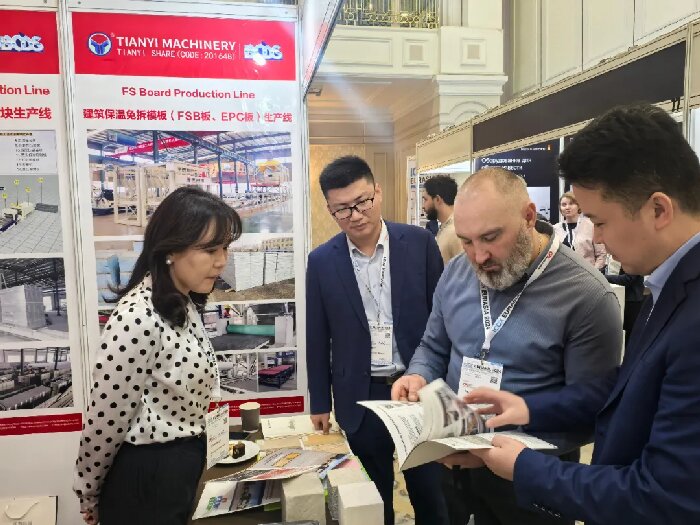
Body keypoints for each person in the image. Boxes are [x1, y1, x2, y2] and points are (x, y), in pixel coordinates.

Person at [464, 103, 700, 525]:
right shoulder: (669, 280)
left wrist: (526, 468)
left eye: (600, 222)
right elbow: (630, 384)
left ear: (658, 210)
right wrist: (528, 407)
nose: (600, 241)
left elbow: (664, 497)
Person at [392, 167, 622, 525]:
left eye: (490, 237)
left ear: (528, 217)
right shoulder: (456, 272)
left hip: (531, 478)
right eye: (466, 241)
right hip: (451, 460)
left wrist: (500, 449)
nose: (479, 256)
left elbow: (591, 410)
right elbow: (433, 346)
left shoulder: (586, 295)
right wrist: (417, 375)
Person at [74, 187, 241, 525]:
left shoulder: (180, 302)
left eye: (225, 247)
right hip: (147, 479)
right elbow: (105, 418)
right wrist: (88, 490)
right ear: (170, 250)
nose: (222, 260)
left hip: (178, 467)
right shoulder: (138, 316)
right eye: (210, 249)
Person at [306, 155, 448, 525]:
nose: (355, 215)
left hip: (417, 389)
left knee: (432, 496)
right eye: (343, 209)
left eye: (363, 202)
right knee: (372, 500)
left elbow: (442, 318)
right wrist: (319, 401)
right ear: (330, 210)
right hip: (360, 395)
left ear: (378, 192)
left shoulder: (419, 243)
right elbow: (317, 335)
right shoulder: (321, 261)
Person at [553, 192, 607, 270]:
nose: (567, 207)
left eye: (571, 204)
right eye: (564, 205)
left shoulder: (591, 226)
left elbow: (601, 254)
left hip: (587, 272)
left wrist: (594, 273)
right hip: (563, 272)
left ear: (579, 206)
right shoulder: (555, 229)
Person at [423, 175, 463, 263]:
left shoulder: (456, 232)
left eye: (425, 200)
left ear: (437, 199)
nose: (423, 206)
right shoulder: (445, 227)